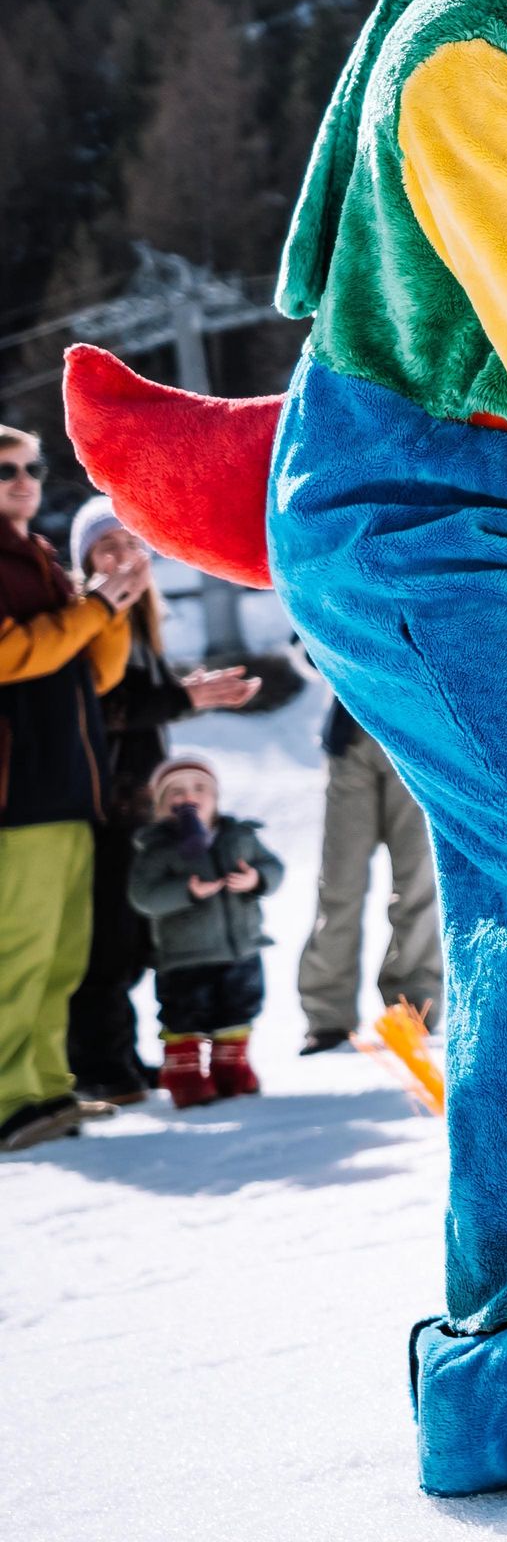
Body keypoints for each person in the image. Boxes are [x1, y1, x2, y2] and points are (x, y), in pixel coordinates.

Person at [63, 497, 262, 1104]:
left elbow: (137, 700)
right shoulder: (93, 618)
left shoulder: (140, 618)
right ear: (85, 563)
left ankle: (122, 1056)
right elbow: (101, 710)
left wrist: (183, 691)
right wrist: (184, 701)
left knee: (135, 939)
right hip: (105, 807)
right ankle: (98, 1065)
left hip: (138, 807)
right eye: (106, 547)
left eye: (131, 542)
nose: (123, 557)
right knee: (108, 940)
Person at [0, 426, 138, 1152]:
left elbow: (97, 675)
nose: (23, 479)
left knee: (61, 953)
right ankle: (7, 1100)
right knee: (18, 950)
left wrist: (113, 610)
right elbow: (9, 653)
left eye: (33, 467)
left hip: (70, 783)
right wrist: (91, 612)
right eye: (6, 470)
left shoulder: (45, 561)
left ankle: (47, 1087)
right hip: (16, 790)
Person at [126, 755, 283, 1108]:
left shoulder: (238, 836)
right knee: (186, 1014)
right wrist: (186, 891)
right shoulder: (157, 848)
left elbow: (273, 868)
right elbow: (144, 896)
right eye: (175, 792)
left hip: (240, 948)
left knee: (238, 1009)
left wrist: (256, 879)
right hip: (185, 955)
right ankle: (184, 1073)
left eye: (199, 788)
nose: (188, 797)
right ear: (161, 804)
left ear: (216, 797)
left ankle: (232, 1069)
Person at [295, 696, 443, 1054]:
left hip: (415, 737)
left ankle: (412, 1007)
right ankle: (328, 1017)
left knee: (417, 885)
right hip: (351, 739)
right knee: (339, 886)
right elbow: (307, 647)